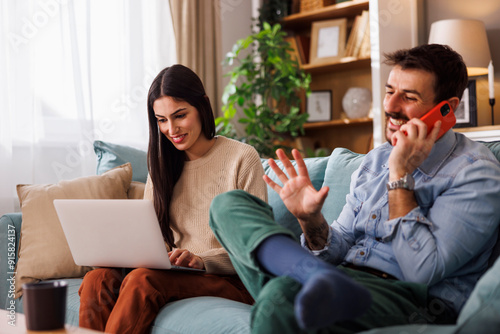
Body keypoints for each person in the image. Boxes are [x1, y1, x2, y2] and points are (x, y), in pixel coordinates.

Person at [208, 44, 500, 333]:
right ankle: (314, 278)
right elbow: (341, 243)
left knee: (282, 296)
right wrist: (311, 222)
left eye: (408, 97)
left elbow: (422, 271)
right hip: (340, 278)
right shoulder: (376, 160)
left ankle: (309, 282)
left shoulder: (475, 173)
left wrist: (399, 176)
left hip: (409, 300)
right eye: (389, 91)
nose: (390, 107)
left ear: (447, 108)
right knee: (227, 205)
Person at [78, 64, 267, 334]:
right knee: (97, 279)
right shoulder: (162, 165)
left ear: (202, 106)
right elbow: (155, 238)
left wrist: (202, 260)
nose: (171, 129)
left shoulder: (242, 158)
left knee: (144, 280)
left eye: (180, 115)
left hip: (232, 279)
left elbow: (255, 250)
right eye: (161, 120)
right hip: (177, 272)